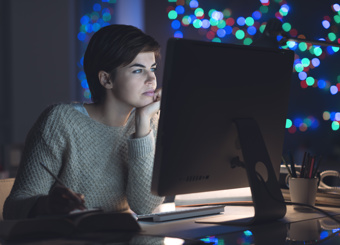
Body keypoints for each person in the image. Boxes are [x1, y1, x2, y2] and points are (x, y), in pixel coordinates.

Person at [3, 24, 165, 219]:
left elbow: (145, 207)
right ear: (106, 80)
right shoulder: (60, 121)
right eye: (138, 71)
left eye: (153, 69)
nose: (152, 79)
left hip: (122, 235)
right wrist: (49, 205)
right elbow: (14, 207)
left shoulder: (147, 121)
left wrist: (143, 122)